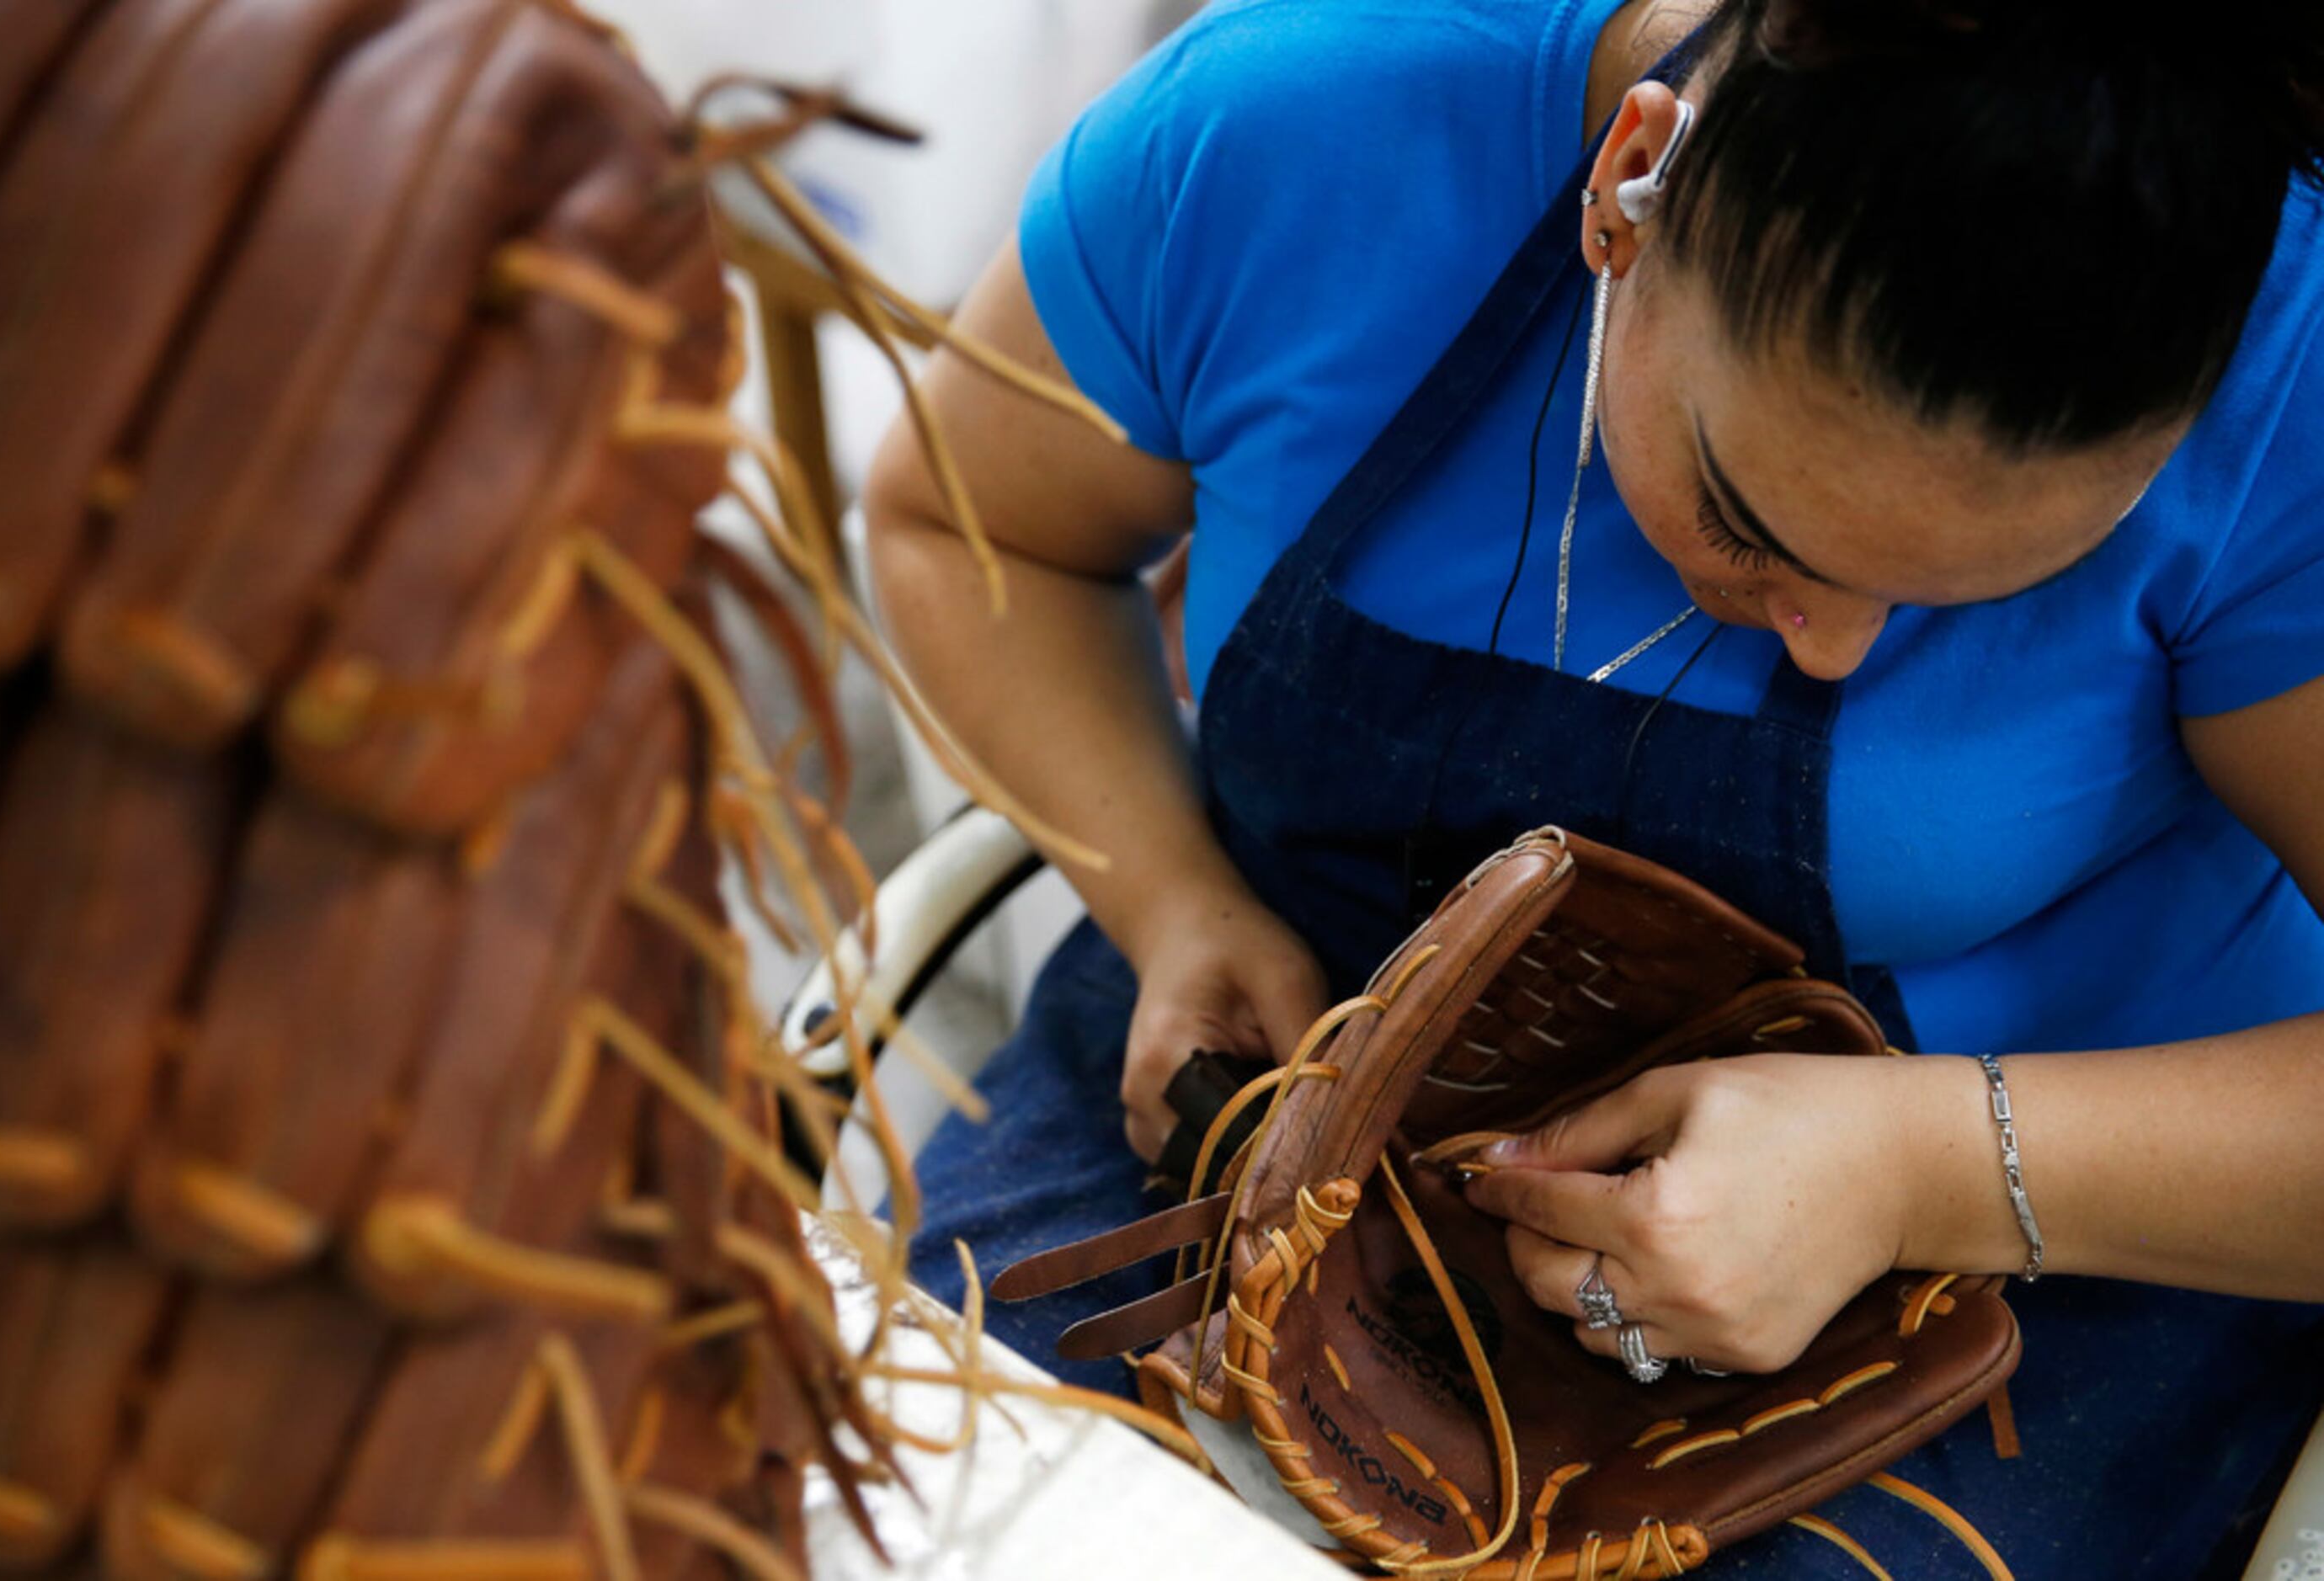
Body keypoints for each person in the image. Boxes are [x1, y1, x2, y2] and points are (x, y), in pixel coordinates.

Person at [861, 0, 2324, 1572]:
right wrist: (1166, 894)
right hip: (1267, 1083)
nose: (1833, 651)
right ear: (1634, 180)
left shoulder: (2293, 379)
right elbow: (969, 527)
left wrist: (1927, 1169)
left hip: (2032, 1228)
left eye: (1978, 592)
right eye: (1754, 524)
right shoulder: (1304, 132)